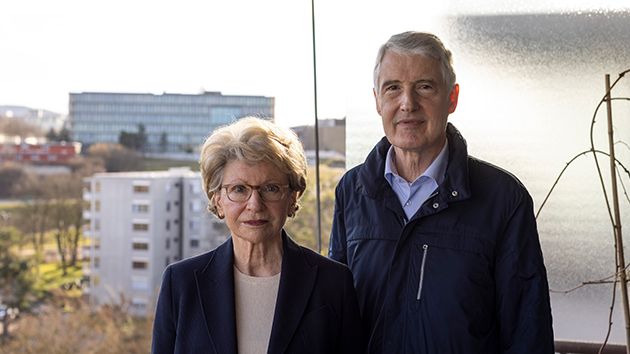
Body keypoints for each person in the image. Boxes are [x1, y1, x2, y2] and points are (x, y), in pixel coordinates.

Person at [329, 31, 554, 353]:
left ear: (452, 98)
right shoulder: (353, 190)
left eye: (424, 87)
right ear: (377, 100)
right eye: (393, 88)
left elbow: (527, 330)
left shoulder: (503, 198)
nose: (408, 104)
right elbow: (336, 313)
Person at [152, 117, 364, 354]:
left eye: (270, 188)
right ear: (217, 200)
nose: (255, 204)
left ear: (293, 197)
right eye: (239, 189)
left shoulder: (333, 283)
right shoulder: (181, 284)